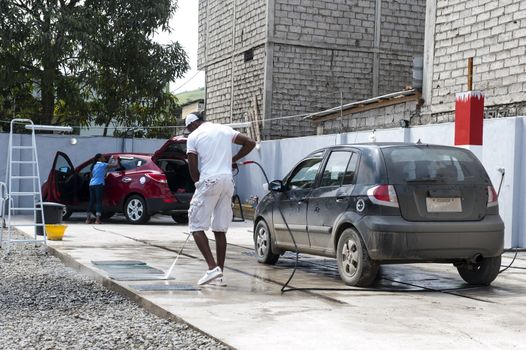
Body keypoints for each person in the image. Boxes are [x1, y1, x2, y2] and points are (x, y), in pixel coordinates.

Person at [185, 112, 256, 286]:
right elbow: (251, 143)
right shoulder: (224, 129)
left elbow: (192, 167)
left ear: (192, 125)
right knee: (219, 229)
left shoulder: (193, 136)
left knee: (195, 225)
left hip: (210, 180)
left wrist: (197, 186)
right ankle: (220, 275)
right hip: (227, 182)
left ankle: (211, 267)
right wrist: (234, 159)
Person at [86, 153, 119, 224]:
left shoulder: (93, 165)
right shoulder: (102, 165)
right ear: (99, 159)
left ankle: (88, 219)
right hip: (99, 184)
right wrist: (116, 158)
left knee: (91, 201)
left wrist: (101, 176)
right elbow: (115, 165)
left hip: (91, 184)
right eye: (103, 157)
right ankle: (97, 220)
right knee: (98, 202)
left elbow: (91, 176)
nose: (104, 158)